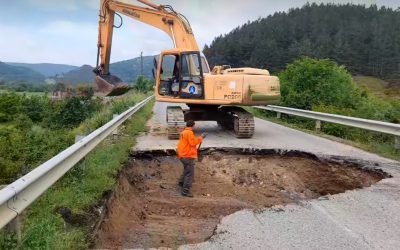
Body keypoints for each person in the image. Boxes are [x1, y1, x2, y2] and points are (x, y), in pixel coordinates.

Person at [176, 120, 207, 197]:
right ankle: (185, 191)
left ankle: (181, 182)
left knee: (187, 170)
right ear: (193, 126)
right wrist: (201, 137)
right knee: (190, 173)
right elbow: (192, 143)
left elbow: (190, 142)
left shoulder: (184, 132)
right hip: (187, 156)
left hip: (182, 155)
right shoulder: (189, 133)